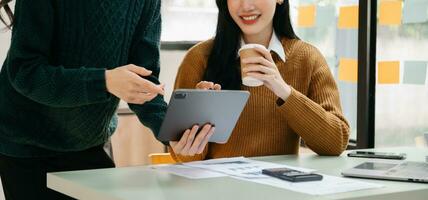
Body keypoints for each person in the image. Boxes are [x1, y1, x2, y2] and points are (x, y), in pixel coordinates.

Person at [0, 0, 166, 199]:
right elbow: (25, 73)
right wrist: (103, 82)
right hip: (29, 145)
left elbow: (143, 80)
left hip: (90, 142)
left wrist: (171, 131)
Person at [169, 0, 350, 162]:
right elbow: (184, 158)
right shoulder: (199, 58)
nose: (246, 5)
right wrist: (195, 125)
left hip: (282, 190)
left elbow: (336, 143)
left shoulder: (307, 58)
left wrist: (284, 91)